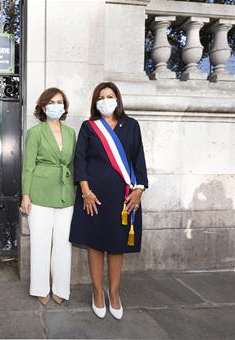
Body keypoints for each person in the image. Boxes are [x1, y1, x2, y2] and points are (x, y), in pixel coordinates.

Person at [69, 82, 148, 319]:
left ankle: (114, 293)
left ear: (118, 99)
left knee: (116, 246)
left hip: (124, 198)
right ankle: (97, 292)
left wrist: (139, 190)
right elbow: (79, 161)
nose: (106, 100)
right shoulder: (89, 127)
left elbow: (139, 159)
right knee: (95, 244)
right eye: (101, 97)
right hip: (93, 197)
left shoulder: (131, 125)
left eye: (110, 96)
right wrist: (85, 191)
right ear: (95, 102)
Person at [20, 87, 76, 305]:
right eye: (51, 102)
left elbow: (72, 163)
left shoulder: (71, 132)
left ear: (65, 107)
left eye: (60, 102)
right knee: (41, 243)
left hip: (65, 193)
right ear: (43, 107)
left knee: (63, 244)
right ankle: (40, 288)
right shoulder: (35, 132)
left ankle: (61, 288)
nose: (56, 106)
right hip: (39, 194)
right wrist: (26, 195)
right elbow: (28, 166)